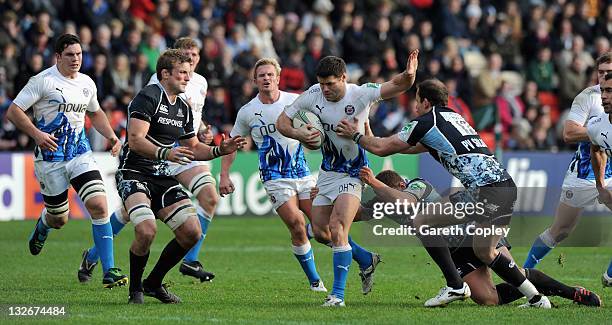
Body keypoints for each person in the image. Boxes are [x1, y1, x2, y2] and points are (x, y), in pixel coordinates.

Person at [335, 78, 551, 308]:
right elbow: (407, 147)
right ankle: (537, 299)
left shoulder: (425, 122)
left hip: (482, 191)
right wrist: (372, 138)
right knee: (485, 251)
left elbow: (384, 148)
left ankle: (455, 286)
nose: (415, 106)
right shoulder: (454, 118)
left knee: (422, 221)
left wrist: (356, 136)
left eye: (417, 101)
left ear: (426, 102)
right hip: (505, 186)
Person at [276, 50, 419, 307]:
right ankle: (366, 258)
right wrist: (299, 134)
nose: (325, 89)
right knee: (320, 232)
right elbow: (281, 121)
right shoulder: (313, 95)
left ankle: (337, 296)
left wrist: (409, 75)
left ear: (343, 77)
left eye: (330, 83)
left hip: (354, 170)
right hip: (328, 171)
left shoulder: (361, 93)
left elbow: (398, 85)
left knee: (338, 227)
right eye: (321, 83)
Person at [79, 37, 218, 283]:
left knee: (209, 197)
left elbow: (192, 118)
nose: (192, 59)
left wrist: (206, 133)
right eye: (186, 54)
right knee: (134, 213)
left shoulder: (200, 83)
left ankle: (190, 260)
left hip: (184, 148)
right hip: (158, 151)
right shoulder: (160, 84)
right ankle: (94, 254)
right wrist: (164, 149)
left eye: (195, 55)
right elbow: (149, 120)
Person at [357, 167, 601, 307]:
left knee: (510, 270)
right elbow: (358, 214)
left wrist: (374, 184)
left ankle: (571, 292)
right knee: (488, 299)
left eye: (387, 193)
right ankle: (536, 291)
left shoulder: (417, 185)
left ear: (401, 183)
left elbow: (404, 200)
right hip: (454, 252)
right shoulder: (384, 201)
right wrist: (324, 199)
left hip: (474, 229)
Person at [117, 49, 245, 304]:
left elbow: (194, 148)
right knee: (146, 230)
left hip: (162, 176)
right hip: (134, 172)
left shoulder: (184, 108)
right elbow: (135, 140)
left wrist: (221, 150)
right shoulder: (148, 96)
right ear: (165, 74)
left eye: (189, 73)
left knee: (191, 232)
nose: (188, 78)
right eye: (182, 73)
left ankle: (153, 283)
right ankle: (135, 291)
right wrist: (166, 153)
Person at [5, 34, 128, 289]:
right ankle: (43, 226)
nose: (76, 59)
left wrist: (112, 136)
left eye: (80, 54)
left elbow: (95, 113)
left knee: (99, 205)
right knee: (59, 218)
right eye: (70, 55)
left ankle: (109, 270)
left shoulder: (87, 83)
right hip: (50, 159)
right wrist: (37, 135)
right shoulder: (42, 81)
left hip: (80, 154)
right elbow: (13, 111)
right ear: (58, 56)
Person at [219, 58, 326, 292]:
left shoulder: (294, 101)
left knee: (324, 230)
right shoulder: (247, 112)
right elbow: (232, 144)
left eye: (270, 75)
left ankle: (363, 258)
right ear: (255, 80)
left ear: (278, 78)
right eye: (261, 75)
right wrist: (224, 174)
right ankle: (315, 281)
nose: (266, 78)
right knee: (297, 224)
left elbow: (320, 117)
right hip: (274, 176)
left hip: (303, 172)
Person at [523, 52, 612, 269]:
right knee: (561, 230)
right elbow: (569, 133)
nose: (603, 78)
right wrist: (600, 131)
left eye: (609, 73)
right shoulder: (588, 98)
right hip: (584, 172)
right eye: (601, 73)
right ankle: (525, 273)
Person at [586, 72, 612, 288]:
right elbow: (595, 148)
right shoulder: (597, 126)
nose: (604, 96)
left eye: (610, 91)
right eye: (603, 91)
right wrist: (600, 182)